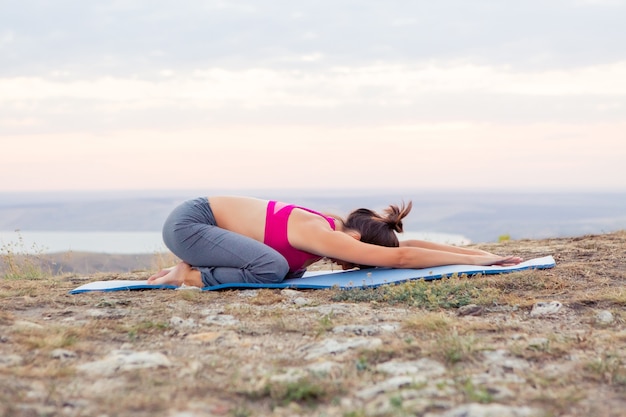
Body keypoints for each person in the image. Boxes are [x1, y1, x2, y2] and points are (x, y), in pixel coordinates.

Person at [147, 196, 522, 288]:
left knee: (283, 270)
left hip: (198, 225)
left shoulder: (325, 233)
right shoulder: (321, 233)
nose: (354, 264)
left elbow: (412, 245)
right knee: (272, 269)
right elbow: (404, 257)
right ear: (356, 237)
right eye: (362, 256)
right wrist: (482, 263)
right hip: (190, 224)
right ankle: (188, 277)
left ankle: (192, 270)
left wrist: (480, 255)